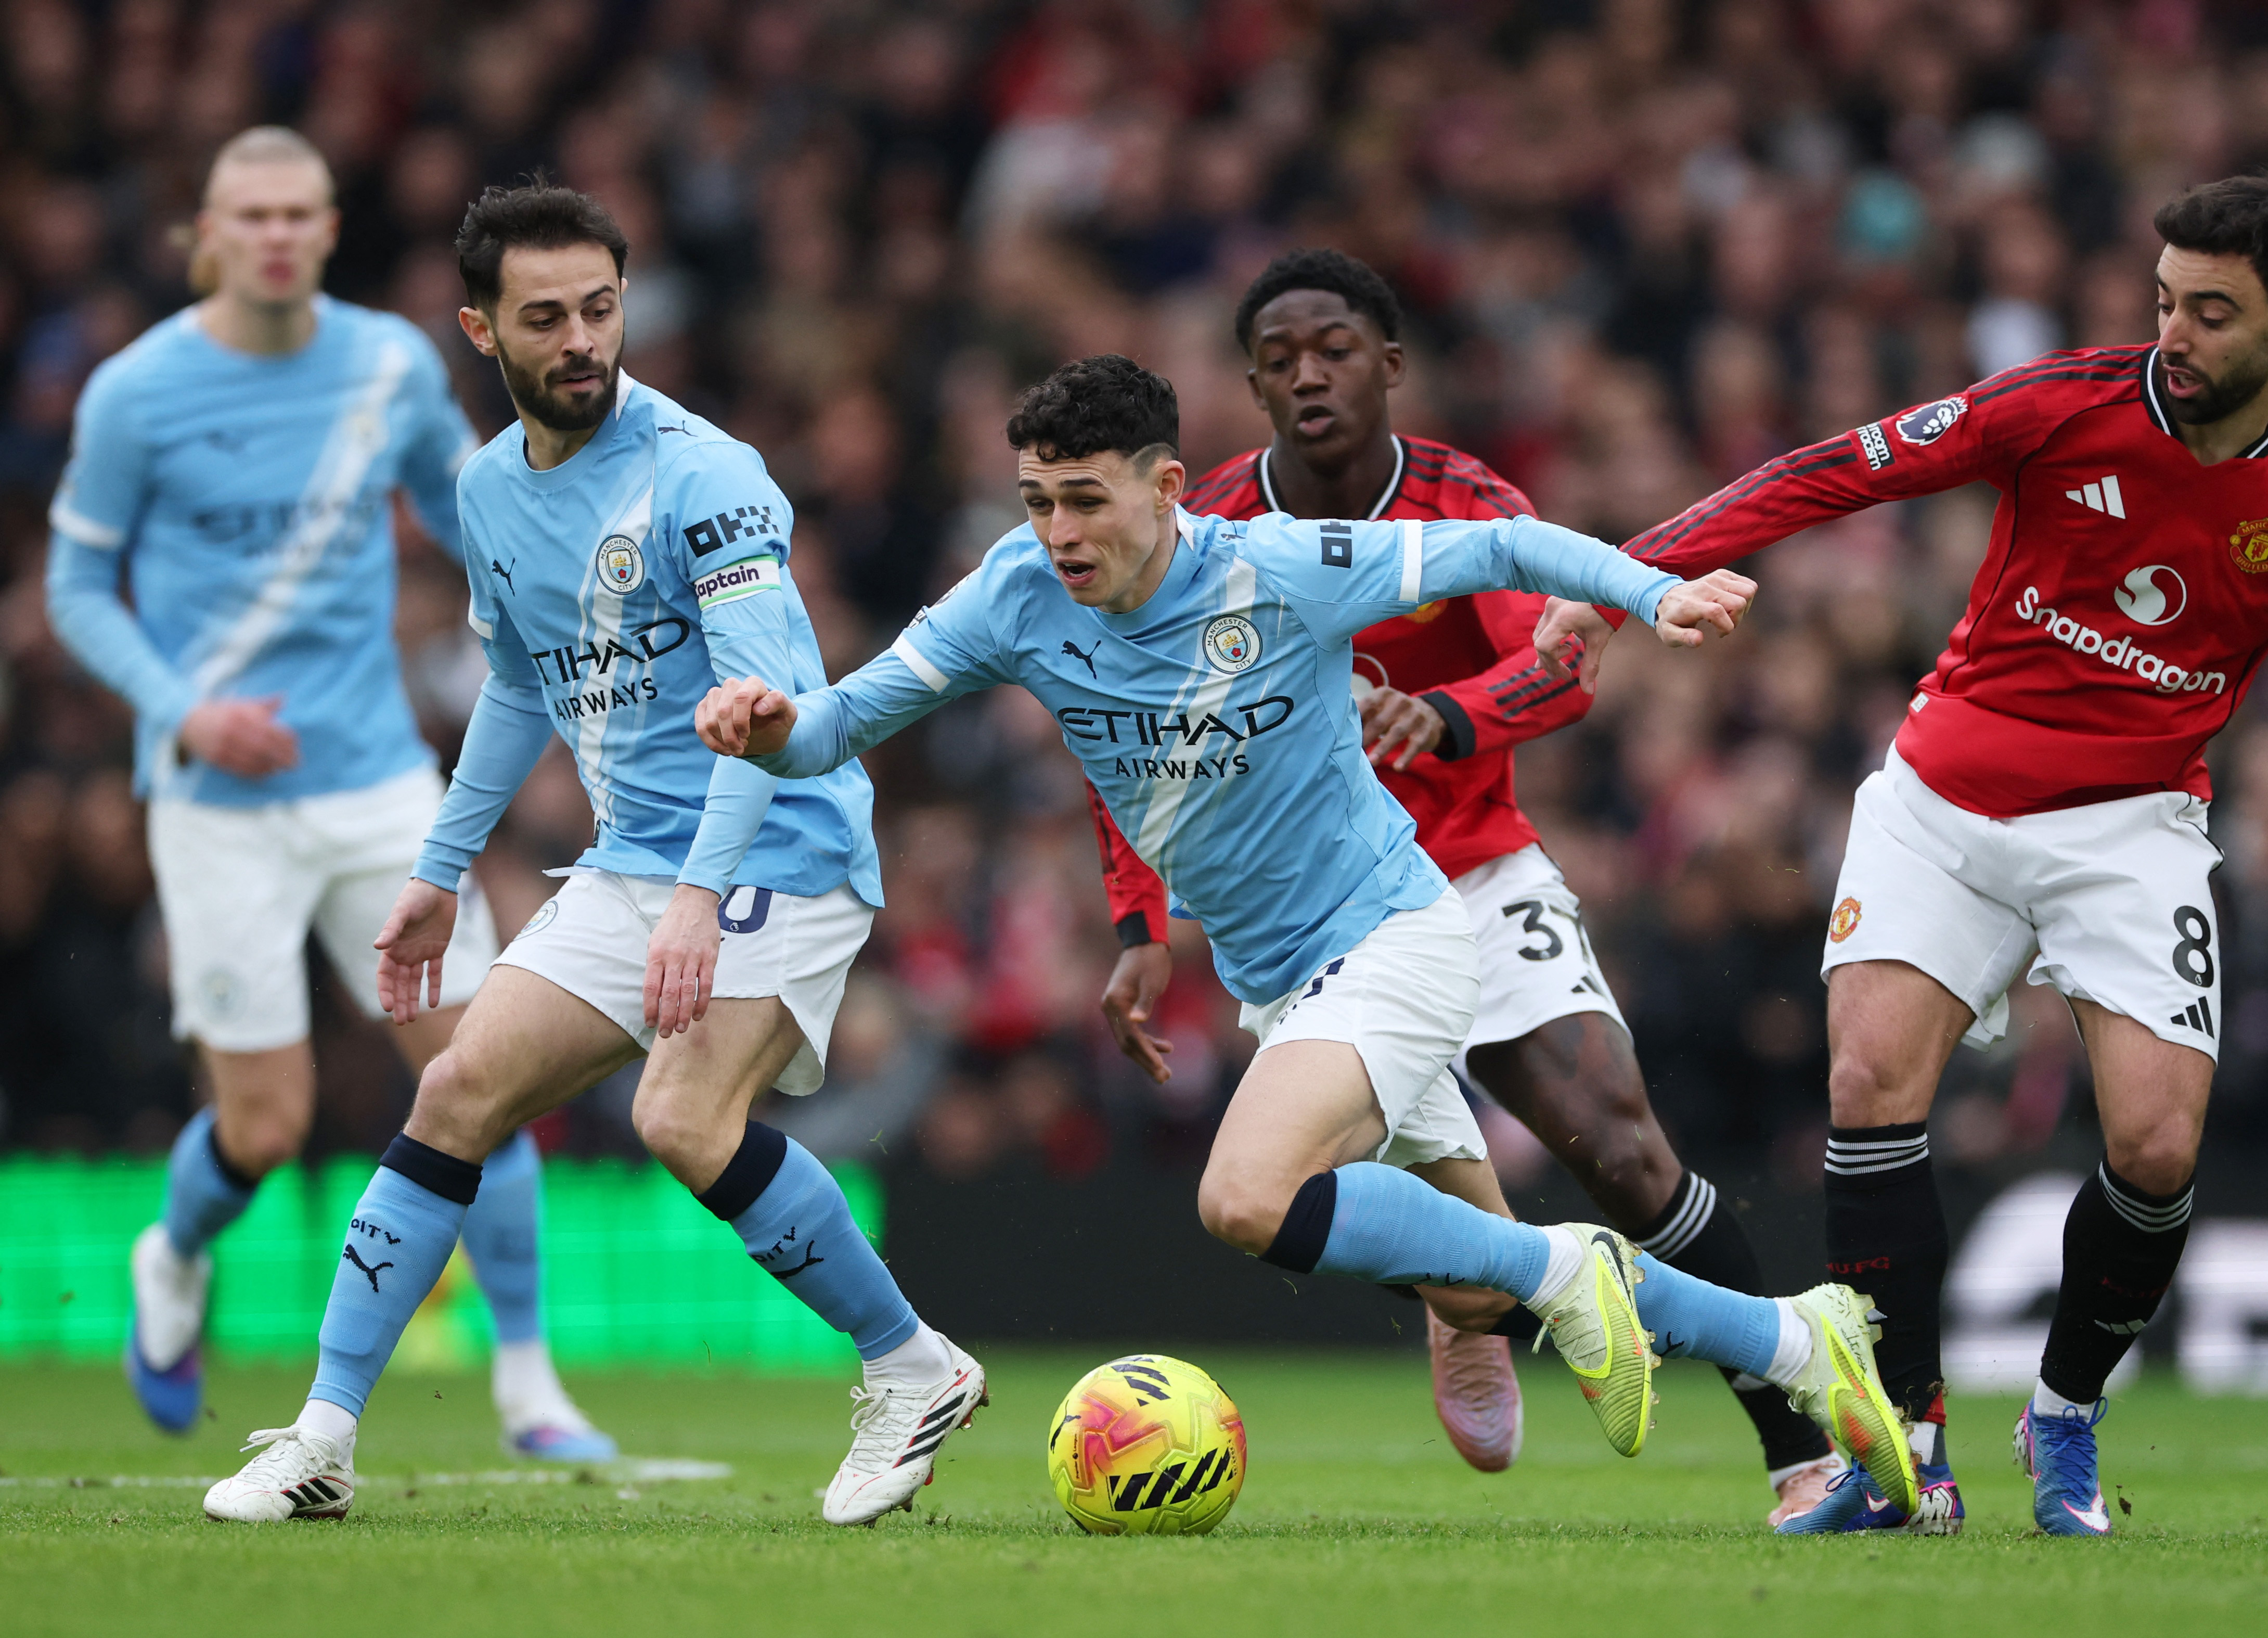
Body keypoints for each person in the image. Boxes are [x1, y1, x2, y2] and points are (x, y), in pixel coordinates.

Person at [1536, 172, 2268, 1537]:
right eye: (2162, 300)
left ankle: (2062, 1410)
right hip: (1938, 798)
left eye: (2209, 311)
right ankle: (1906, 1448)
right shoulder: (2060, 400)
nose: (2170, 334)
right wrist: (1625, 580)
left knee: (2152, 1144)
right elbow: (1841, 467)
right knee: (1866, 1081)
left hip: (2130, 830)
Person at [695, 352, 1923, 1511]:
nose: (1059, 533)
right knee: (1466, 1273)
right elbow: (834, 728)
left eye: (1084, 500)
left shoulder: (1276, 564)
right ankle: (1791, 1337)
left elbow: (1499, 541)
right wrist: (768, 725)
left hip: (1397, 937)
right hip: (1283, 983)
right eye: (1035, 502)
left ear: (1169, 488)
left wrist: (1648, 591)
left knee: (1246, 1196)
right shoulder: (1011, 596)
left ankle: (1564, 1270)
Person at [201, 178, 978, 1527]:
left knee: (679, 1118)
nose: (580, 341)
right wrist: (439, 872)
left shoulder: (708, 477)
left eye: (601, 310)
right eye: (546, 316)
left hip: (779, 842)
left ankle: (911, 1365)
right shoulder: (489, 492)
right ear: (480, 331)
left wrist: (695, 907)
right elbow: (517, 687)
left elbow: (760, 721)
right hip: (639, 859)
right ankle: (322, 1435)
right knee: (454, 1093)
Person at [1084, 248, 1839, 1524]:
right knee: (1305, 1185)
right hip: (1315, 912)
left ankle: (1798, 1448)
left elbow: (1561, 666)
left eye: (1334, 350)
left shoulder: (1462, 501)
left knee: (1617, 1143)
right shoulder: (1201, 525)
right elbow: (1120, 726)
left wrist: (1442, 717)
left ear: (1389, 365)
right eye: (1279, 358)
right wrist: (1137, 919)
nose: (1307, 374)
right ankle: (1462, 1307)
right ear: (1253, 385)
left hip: (1473, 870)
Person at [44, 127, 609, 1461]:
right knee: (266, 1123)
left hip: (374, 785)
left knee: (485, 1070)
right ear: (213, 228)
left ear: (330, 222)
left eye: (302, 212)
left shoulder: (385, 366)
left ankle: (529, 1387)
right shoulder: (140, 393)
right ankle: (172, 1255)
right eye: (254, 214)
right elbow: (74, 587)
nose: (280, 235)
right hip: (214, 799)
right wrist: (185, 710)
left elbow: (471, 508)